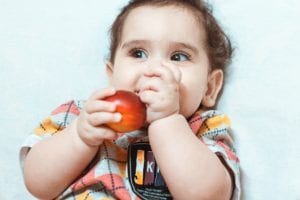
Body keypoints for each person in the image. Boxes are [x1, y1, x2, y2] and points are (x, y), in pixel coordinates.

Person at [20, 0, 241, 199]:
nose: (154, 70)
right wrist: (80, 137)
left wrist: (167, 121)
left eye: (178, 57)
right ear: (112, 74)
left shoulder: (204, 130)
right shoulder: (83, 115)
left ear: (209, 88)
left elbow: (209, 196)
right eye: (138, 53)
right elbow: (37, 184)